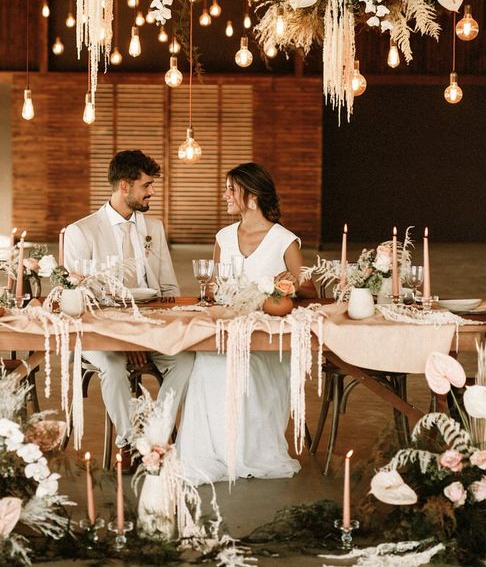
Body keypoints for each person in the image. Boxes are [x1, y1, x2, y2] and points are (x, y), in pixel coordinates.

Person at [177, 162, 316, 484]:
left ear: (251, 196)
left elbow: (308, 288)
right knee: (207, 365)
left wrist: (288, 284)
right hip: (226, 332)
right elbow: (213, 287)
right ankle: (212, 455)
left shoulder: (284, 240)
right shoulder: (224, 237)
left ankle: (247, 453)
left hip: (267, 338)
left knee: (245, 368)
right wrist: (212, 290)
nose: (224, 195)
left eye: (230, 189)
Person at [64, 149, 194, 450]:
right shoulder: (81, 232)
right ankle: (134, 444)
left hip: (150, 328)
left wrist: (145, 335)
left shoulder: (154, 228)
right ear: (125, 186)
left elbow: (169, 288)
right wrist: (125, 340)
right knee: (112, 367)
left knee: (187, 360)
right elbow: (80, 300)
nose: (152, 192)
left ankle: (156, 433)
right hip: (101, 335)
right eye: (146, 185)